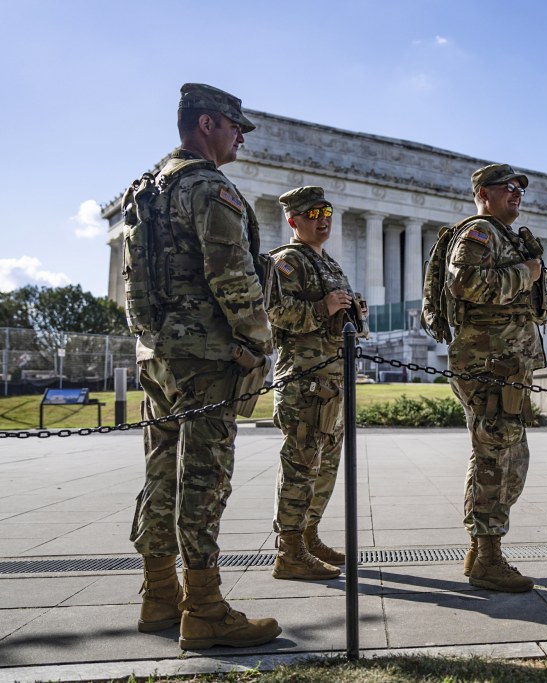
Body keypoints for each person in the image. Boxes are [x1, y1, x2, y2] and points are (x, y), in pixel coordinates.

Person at [129, 83, 281, 649]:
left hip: (160, 354)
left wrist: (152, 339)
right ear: (208, 124)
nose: (242, 136)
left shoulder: (145, 190)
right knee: (204, 478)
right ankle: (207, 608)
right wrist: (259, 344)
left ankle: (159, 594)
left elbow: (136, 281)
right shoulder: (209, 187)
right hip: (208, 357)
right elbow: (233, 278)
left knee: (160, 474)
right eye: (236, 126)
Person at [446, 163, 547, 593]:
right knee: (497, 459)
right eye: (507, 188)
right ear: (484, 194)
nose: (516, 194)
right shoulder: (479, 233)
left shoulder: (506, 236)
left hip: (507, 363)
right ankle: (488, 557)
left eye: (520, 188)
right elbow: (464, 283)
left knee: (505, 457)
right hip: (488, 363)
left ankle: (480, 549)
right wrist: (526, 273)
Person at [268, 186, 362, 581]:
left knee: (325, 466)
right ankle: (289, 551)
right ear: (293, 221)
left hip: (333, 381)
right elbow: (273, 310)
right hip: (305, 381)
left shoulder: (329, 263)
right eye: (312, 214)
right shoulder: (287, 261)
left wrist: (353, 312)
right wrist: (322, 308)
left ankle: (308, 535)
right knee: (301, 464)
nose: (322, 219)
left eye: (326, 211)